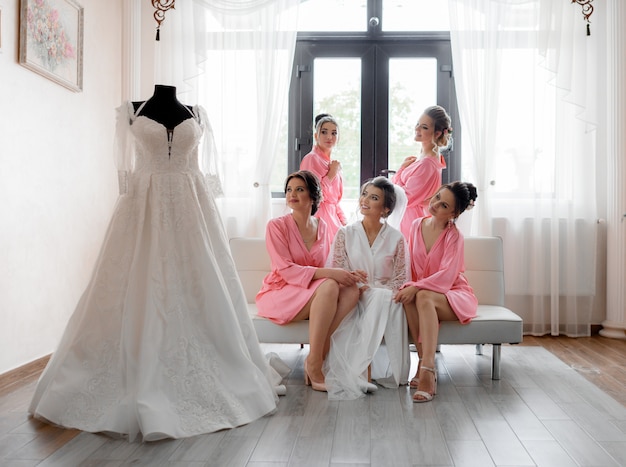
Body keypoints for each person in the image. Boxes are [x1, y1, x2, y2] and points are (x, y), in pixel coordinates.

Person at [28, 84, 281, 442]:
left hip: (192, 209)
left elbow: (206, 167)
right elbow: (123, 167)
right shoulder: (130, 110)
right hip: (141, 206)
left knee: (199, 285)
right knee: (136, 284)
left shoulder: (197, 112)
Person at [256, 170, 362, 392]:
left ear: (313, 197)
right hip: (280, 291)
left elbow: (331, 263)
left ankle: (316, 356)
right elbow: (285, 269)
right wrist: (331, 274)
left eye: (299, 189)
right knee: (330, 283)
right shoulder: (276, 226)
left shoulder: (323, 227)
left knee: (352, 290)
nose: (291, 194)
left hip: (309, 291)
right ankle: (315, 365)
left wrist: (351, 274)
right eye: (289, 190)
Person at [323, 176, 411, 400]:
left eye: (374, 198)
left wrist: (380, 291)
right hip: (354, 293)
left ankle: (364, 372)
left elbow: (400, 276)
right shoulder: (346, 233)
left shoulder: (396, 238)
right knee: (376, 298)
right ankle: (361, 372)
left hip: (384, 296)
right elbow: (338, 267)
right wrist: (357, 282)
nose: (365, 200)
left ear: (386, 208)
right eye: (364, 194)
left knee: (383, 298)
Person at [395, 181, 478, 403]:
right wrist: (409, 285)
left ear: (454, 213)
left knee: (420, 294)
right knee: (410, 297)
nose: (435, 204)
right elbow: (410, 266)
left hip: (453, 293)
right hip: (426, 292)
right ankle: (424, 365)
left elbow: (447, 276)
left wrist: (417, 286)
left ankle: (428, 371)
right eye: (437, 197)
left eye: (443, 205)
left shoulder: (454, 236)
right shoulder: (415, 225)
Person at [392, 105, 453, 239]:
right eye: (418, 124)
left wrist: (400, 172)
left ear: (437, 133)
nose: (417, 129)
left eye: (424, 127)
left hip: (412, 222)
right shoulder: (425, 159)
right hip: (411, 218)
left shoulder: (427, 164)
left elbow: (404, 197)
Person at [300, 114, 347, 245]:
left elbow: (335, 200)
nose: (329, 137)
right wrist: (331, 174)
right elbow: (312, 193)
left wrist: (343, 220)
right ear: (316, 136)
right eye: (324, 132)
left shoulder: (332, 163)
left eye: (334, 133)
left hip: (333, 218)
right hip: (319, 216)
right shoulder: (311, 159)